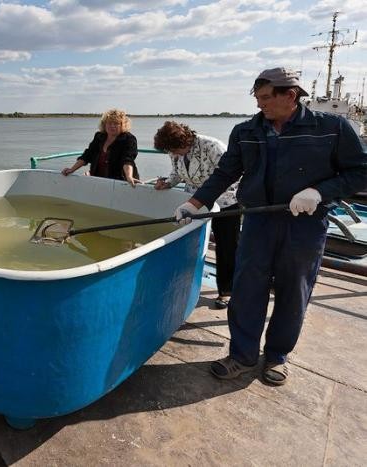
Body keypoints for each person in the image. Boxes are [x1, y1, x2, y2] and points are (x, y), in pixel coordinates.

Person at [174, 67, 367, 386]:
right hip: (258, 221)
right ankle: (242, 355)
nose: (260, 105)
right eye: (257, 98)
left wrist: (319, 192)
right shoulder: (245, 131)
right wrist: (194, 204)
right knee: (247, 289)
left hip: (305, 225)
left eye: (265, 98)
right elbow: (225, 173)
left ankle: (277, 355)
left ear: (289, 95)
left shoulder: (331, 128)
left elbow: (359, 172)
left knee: (294, 290)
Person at [153, 121, 240, 309]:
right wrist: (167, 183)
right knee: (192, 242)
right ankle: (184, 283)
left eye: (175, 149)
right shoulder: (174, 151)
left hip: (225, 202)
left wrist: (206, 196)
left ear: (185, 140)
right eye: (170, 150)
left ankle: (227, 291)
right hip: (194, 203)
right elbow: (176, 172)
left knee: (227, 246)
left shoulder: (212, 146)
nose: (173, 154)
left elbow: (231, 175)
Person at [61, 109, 140, 186]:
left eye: (116, 123)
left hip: (121, 181)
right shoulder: (99, 137)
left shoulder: (129, 139)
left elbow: (128, 160)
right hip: (98, 180)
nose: (112, 126)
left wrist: (129, 176)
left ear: (123, 125)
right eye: (109, 123)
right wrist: (71, 170)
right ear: (104, 124)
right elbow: (87, 155)